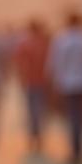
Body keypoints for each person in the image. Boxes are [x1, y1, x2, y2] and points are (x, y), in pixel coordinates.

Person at [47, 12, 82, 164]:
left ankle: (75, 149)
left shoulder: (61, 40)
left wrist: (54, 84)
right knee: (81, 117)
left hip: (67, 84)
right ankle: (79, 148)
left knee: (72, 117)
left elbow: (55, 63)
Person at [14, 19, 50, 151]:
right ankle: (38, 136)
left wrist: (21, 77)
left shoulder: (25, 43)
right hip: (42, 81)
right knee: (39, 109)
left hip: (29, 80)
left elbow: (19, 62)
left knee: (30, 110)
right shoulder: (44, 43)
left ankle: (32, 136)